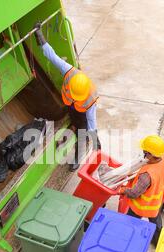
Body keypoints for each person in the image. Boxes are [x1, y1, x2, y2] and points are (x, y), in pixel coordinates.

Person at [34, 22, 101, 172]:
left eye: (78, 97)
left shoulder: (90, 99)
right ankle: (73, 125)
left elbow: (92, 120)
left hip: (83, 114)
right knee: (74, 118)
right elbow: (53, 57)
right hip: (71, 109)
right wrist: (40, 37)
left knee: (82, 135)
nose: (76, 97)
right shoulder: (70, 72)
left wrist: (95, 137)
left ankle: (77, 158)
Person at [119, 135, 164, 247]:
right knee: (156, 223)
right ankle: (157, 242)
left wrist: (122, 190)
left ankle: (126, 239)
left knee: (130, 223)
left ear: (151, 155)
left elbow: (134, 193)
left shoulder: (147, 176)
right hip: (155, 202)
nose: (143, 154)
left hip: (140, 207)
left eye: (145, 152)